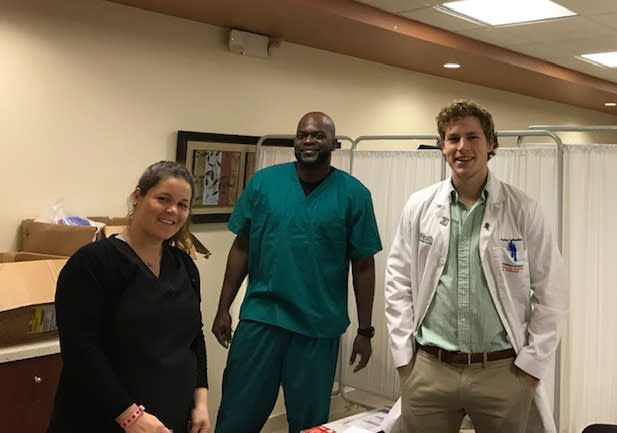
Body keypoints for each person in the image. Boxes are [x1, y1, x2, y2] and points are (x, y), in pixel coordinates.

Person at [384, 100, 568, 433]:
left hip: (502, 372)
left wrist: (530, 369)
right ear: (442, 146)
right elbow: (397, 282)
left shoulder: (522, 209)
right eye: (453, 138)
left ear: (491, 144)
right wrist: (404, 360)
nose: (462, 147)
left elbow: (551, 293)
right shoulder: (419, 206)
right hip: (429, 369)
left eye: (473, 137)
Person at [212, 112, 382, 433]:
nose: (308, 140)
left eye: (318, 135)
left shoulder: (354, 195)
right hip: (261, 319)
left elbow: (363, 264)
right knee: (236, 416)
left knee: (308, 424)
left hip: (317, 328)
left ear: (334, 143)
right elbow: (242, 247)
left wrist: (365, 330)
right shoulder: (264, 183)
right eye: (302, 134)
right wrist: (223, 308)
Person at [47, 161, 210, 433]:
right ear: (138, 196)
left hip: (169, 419)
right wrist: (130, 416)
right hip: (101, 417)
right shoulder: (92, 264)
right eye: (163, 199)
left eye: (183, 204)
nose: (173, 210)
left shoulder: (184, 265)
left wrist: (200, 401)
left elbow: (195, 338)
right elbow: (81, 351)